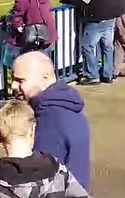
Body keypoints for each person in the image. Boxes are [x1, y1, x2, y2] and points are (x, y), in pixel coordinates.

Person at [9, 50, 92, 190]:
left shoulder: (50, 120)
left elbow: (39, 178)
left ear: (45, 77)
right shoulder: (65, 104)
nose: (13, 86)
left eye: (20, 80)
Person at [61, 0, 122, 85]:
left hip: (96, 17)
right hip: (110, 16)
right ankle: (107, 73)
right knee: (107, 46)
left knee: (87, 46)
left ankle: (92, 74)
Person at [1, 0, 56, 74]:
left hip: (33, 31)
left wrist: (17, 24)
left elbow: (20, 7)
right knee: (44, 64)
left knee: (22, 62)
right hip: (46, 30)